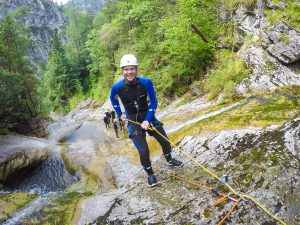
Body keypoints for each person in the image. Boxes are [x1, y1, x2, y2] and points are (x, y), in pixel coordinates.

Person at [110, 54, 183, 187]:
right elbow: (113, 100)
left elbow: (154, 102)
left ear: (136, 69)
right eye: (126, 69)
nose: (129, 72)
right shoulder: (117, 87)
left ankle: (169, 159)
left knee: (165, 141)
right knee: (144, 151)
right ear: (122, 70)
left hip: (148, 117)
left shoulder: (146, 82)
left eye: (132, 68)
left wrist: (148, 120)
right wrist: (120, 114)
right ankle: (150, 174)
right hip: (133, 121)